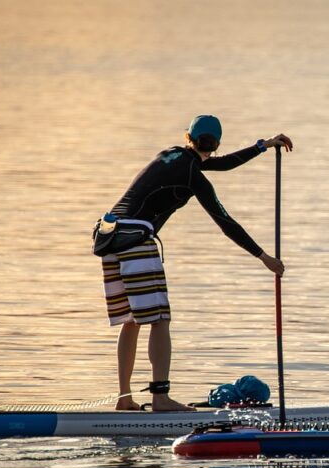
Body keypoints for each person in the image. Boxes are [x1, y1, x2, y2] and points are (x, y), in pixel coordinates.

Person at [101, 115, 291, 411]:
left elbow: (222, 164)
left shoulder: (169, 156)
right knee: (160, 319)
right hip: (136, 241)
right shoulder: (193, 175)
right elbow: (226, 221)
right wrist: (264, 257)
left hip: (109, 237)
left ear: (187, 137)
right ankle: (160, 398)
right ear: (214, 145)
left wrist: (262, 146)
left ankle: (124, 400)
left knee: (132, 321)